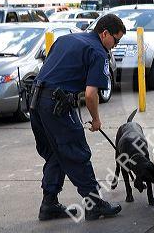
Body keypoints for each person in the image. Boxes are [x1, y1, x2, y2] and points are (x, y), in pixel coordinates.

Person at [29, 14, 126, 221]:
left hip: (35, 102)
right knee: (77, 153)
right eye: (115, 40)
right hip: (57, 105)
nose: (115, 46)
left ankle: (49, 205)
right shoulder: (98, 52)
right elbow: (91, 94)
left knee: (56, 153)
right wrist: (96, 120)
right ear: (105, 33)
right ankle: (94, 204)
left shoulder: (65, 39)